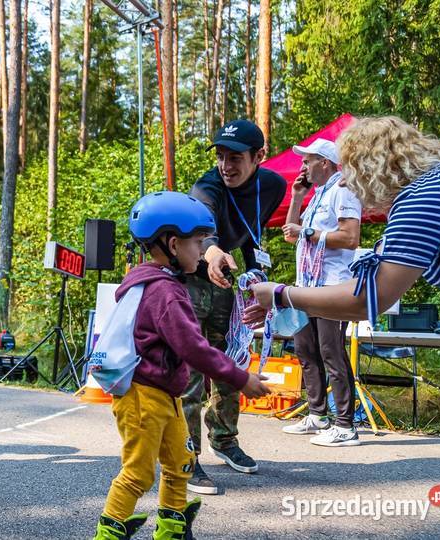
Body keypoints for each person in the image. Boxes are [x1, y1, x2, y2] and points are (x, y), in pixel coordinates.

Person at [92, 192, 270, 540]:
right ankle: (108, 533)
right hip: (143, 398)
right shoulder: (165, 292)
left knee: (180, 463)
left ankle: (172, 528)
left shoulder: (155, 283)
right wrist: (240, 377)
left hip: (166, 395)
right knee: (139, 473)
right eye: (198, 243)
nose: (202, 251)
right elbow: (194, 348)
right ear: (173, 244)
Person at [245, 116, 440, 330]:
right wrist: (289, 304)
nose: (343, 182)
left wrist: (282, 295)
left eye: (349, 171)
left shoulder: (423, 200)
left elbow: (369, 299)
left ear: (372, 168)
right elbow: (372, 278)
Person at [182, 119, 286, 494]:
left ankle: (224, 440)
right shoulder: (206, 187)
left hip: (230, 282)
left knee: (229, 362)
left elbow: (251, 231)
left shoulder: (273, 185)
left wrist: (257, 276)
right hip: (193, 278)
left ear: (259, 156)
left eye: (235, 158)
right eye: (221, 156)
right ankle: (185, 455)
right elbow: (205, 229)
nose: (226, 165)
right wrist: (211, 252)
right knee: (192, 368)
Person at [279, 139, 362, 447]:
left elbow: (351, 238)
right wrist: (296, 199)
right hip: (307, 283)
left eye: (308, 161)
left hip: (332, 285)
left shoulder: (343, 189)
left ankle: (345, 425)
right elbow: (293, 236)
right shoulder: (316, 195)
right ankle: (318, 415)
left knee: (331, 351)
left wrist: (310, 232)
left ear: (325, 163)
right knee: (306, 350)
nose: (303, 167)